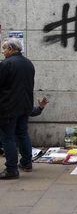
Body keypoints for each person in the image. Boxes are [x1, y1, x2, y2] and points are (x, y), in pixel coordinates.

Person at [0, 38, 35, 179]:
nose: (3, 52)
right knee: (22, 134)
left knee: (8, 138)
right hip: (25, 105)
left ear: (11, 49)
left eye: (4, 49)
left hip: (8, 107)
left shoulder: (6, 64)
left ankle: (11, 169)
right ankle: (27, 163)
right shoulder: (28, 63)